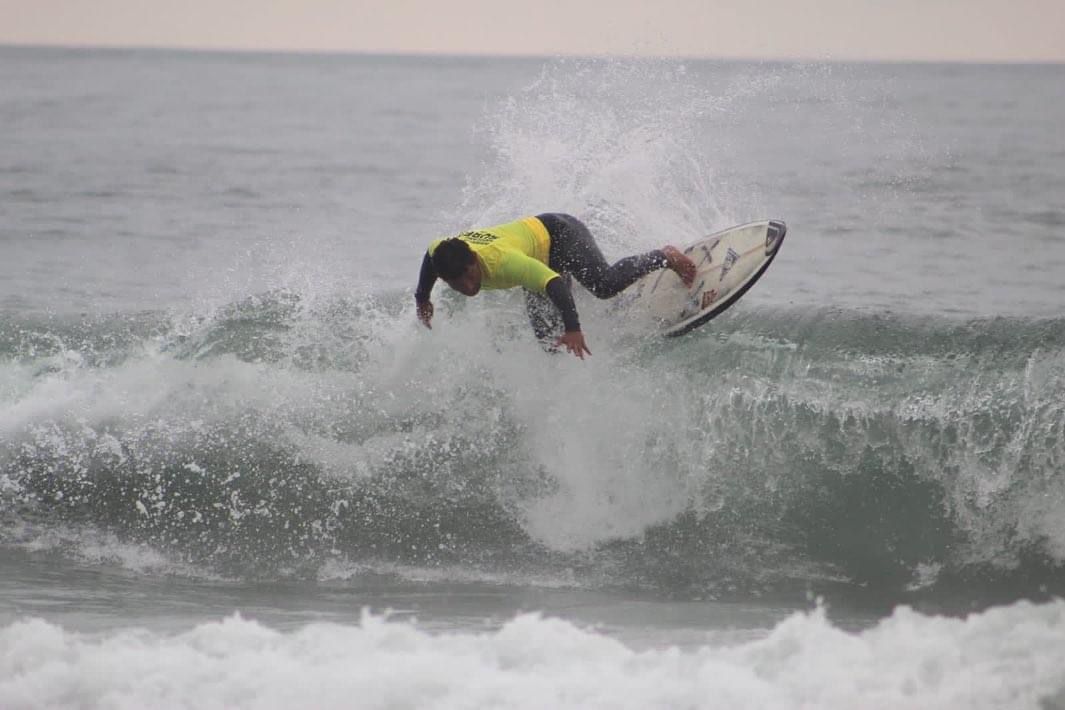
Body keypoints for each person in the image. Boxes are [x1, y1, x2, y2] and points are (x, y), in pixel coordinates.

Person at [414, 213, 696, 359]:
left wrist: (573, 329)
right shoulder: (445, 256)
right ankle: (621, 310)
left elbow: (555, 283)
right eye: (456, 284)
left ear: (473, 259)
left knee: (602, 285)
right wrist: (422, 298)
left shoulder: (503, 262)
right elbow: (431, 253)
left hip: (560, 234)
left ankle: (664, 256)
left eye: (468, 276)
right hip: (536, 252)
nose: (467, 286)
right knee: (549, 344)